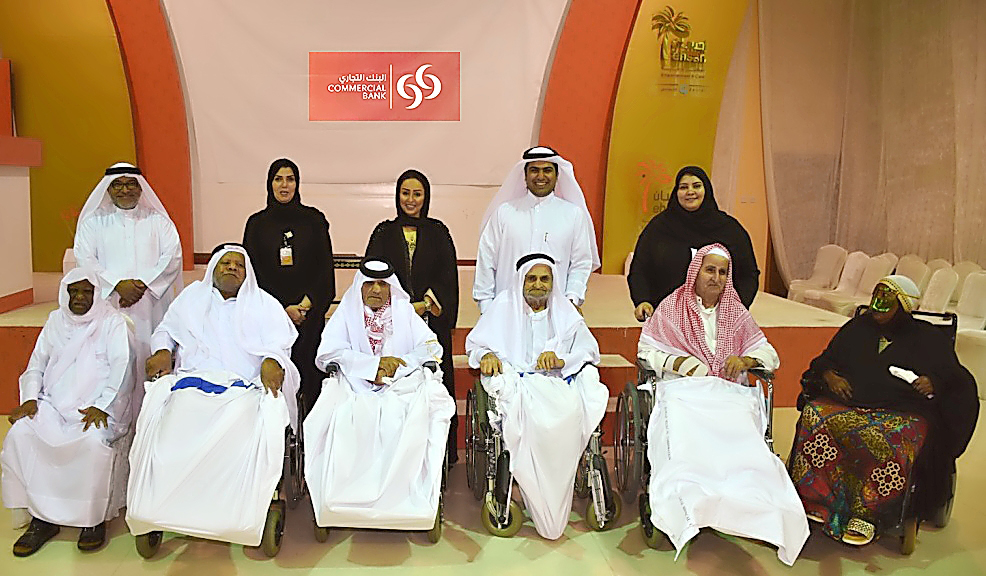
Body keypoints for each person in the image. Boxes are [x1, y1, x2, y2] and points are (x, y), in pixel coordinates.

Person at [637, 243, 808, 566]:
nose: (715, 277)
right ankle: (691, 501)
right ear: (696, 272)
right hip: (684, 394)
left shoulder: (736, 313)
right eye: (709, 270)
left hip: (727, 396)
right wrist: (680, 364)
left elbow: (770, 355)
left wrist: (745, 360)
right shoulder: (671, 307)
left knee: (745, 452)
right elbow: (646, 352)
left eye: (722, 272)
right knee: (689, 446)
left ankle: (755, 505)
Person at [126, 244, 299, 546]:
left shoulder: (263, 303)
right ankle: (161, 505)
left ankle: (236, 512)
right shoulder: (191, 298)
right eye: (225, 263)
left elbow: (280, 344)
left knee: (241, 420)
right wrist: (162, 350)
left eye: (239, 265)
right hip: (192, 383)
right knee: (173, 420)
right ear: (213, 269)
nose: (232, 268)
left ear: (247, 273)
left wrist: (272, 360)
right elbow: (166, 330)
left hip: (244, 388)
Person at [790, 275, 979, 545]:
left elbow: (956, 379)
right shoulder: (856, 328)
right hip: (850, 402)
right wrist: (830, 375)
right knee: (814, 416)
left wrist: (933, 382)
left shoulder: (928, 337)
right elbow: (825, 360)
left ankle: (869, 513)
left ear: (903, 305)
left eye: (885, 301)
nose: (877, 306)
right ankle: (816, 497)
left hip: (901, 410)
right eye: (875, 298)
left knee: (891, 436)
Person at [465, 253, 608, 539]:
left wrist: (562, 360)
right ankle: (535, 491)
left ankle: (555, 495)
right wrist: (487, 355)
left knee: (570, 412)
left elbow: (589, 350)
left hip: (557, 383)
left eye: (545, 279)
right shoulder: (502, 307)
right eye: (532, 279)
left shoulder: (565, 312)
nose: (538, 285)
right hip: (518, 384)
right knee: (525, 418)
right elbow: (476, 345)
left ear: (553, 282)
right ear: (521, 281)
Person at [305, 259, 454, 530]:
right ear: (360, 287)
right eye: (370, 284)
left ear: (390, 288)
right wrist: (371, 366)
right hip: (355, 386)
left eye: (382, 284)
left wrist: (398, 364)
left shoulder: (404, 311)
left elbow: (431, 347)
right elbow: (327, 354)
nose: (376, 289)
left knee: (408, 415)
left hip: (401, 386)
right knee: (347, 416)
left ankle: (408, 500)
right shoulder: (346, 312)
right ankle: (340, 500)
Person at [1, 268, 134, 556]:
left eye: (87, 292)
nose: (80, 298)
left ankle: (92, 520)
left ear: (97, 294)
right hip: (53, 404)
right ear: (65, 293)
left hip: (96, 406)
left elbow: (122, 369)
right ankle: (42, 519)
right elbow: (36, 364)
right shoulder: (55, 321)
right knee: (21, 434)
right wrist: (30, 398)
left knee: (92, 443)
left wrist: (103, 405)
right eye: (74, 291)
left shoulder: (111, 323)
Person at [365, 169, 459, 463]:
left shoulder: (438, 232)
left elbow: (448, 276)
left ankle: (438, 454)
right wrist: (404, 307)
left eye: (417, 194)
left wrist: (427, 303)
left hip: (430, 322)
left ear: (425, 197)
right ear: (397, 196)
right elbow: (372, 278)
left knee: (434, 385)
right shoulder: (383, 232)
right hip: (391, 326)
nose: (411, 199)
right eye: (405, 193)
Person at [73, 162, 182, 393]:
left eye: (131, 184)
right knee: (111, 358)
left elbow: (172, 257)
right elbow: (85, 259)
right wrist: (117, 285)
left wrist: (143, 285)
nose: (125, 190)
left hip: (151, 303)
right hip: (110, 302)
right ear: (108, 189)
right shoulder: (93, 223)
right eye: (118, 185)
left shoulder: (159, 221)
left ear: (140, 188)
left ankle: (151, 409)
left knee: (151, 353)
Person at [244, 158, 335, 413]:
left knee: (310, 380)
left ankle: (309, 433)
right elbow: (252, 276)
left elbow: (324, 271)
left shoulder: (314, 221)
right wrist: (280, 312)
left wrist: (304, 307)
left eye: (290, 179)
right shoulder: (256, 224)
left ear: (297, 184)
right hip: (269, 322)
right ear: (269, 184)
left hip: (308, 319)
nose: (284, 185)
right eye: (278, 179)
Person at [473, 146, 599, 313]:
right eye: (534, 170)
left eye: (547, 170)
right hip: (506, 310)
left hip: (556, 311)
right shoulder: (504, 212)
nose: (540, 176)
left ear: (557, 175)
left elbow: (581, 263)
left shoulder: (573, 214)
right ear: (525, 176)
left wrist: (571, 300)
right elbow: (486, 260)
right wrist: (486, 306)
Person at [628, 166, 759, 321]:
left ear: (707, 190)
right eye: (683, 187)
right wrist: (642, 300)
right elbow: (640, 269)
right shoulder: (658, 228)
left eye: (696, 186)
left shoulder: (729, 229)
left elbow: (748, 273)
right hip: (667, 317)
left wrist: (738, 307)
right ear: (676, 192)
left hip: (717, 318)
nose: (690, 192)